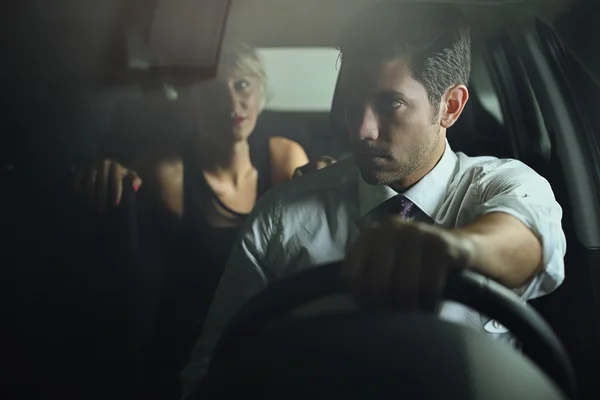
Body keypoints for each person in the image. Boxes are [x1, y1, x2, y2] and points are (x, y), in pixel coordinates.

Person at [180, 2, 566, 395]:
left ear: (450, 106)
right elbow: (214, 366)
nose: (361, 130)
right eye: (351, 100)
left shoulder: (499, 184)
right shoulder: (284, 214)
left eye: (389, 104)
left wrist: (454, 249)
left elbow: (527, 239)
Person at [76, 42, 334, 398]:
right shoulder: (168, 173)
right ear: (190, 102)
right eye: (213, 89)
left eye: (242, 85)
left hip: (273, 339)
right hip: (195, 346)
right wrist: (106, 173)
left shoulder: (284, 157)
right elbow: (121, 183)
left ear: (260, 92)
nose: (231, 103)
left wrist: (335, 181)